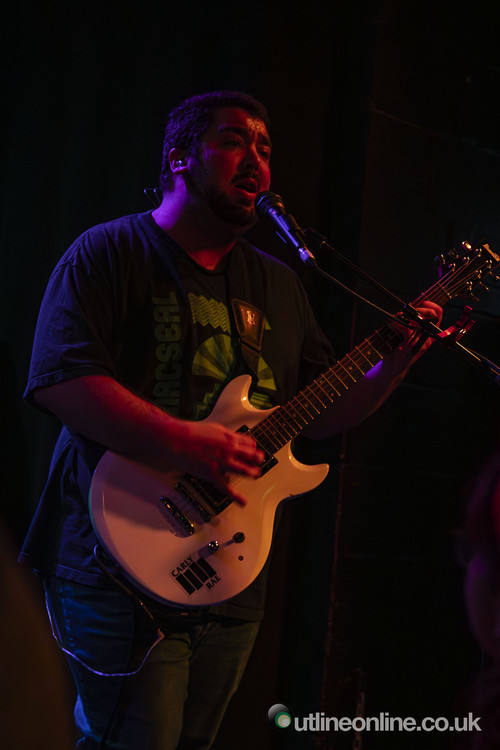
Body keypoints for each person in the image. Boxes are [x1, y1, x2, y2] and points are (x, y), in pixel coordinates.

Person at [21, 90, 442, 749]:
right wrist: (188, 443)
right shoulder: (109, 252)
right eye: (233, 141)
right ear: (179, 157)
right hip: (117, 561)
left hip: (230, 574)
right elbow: (61, 382)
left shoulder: (280, 284)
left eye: (265, 148)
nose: (256, 160)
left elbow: (321, 418)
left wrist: (396, 360)